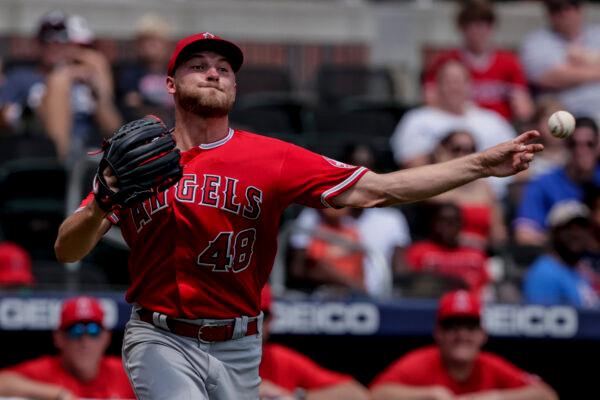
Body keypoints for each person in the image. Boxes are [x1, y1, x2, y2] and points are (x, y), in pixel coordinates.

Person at [53, 31, 543, 398]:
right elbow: (67, 249)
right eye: (198, 66)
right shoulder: (137, 157)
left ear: (235, 89)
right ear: (171, 85)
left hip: (239, 344)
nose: (213, 73)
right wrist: (105, 197)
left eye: (224, 68)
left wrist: (480, 165)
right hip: (160, 335)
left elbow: (377, 190)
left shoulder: (271, 158)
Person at [370, 290, 559, 400]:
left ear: (482, 334)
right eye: (452, 326)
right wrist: (428, 395)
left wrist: (495, 398)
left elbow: (546, 395)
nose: (462, 334)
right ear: (438, 333)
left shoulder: (490, 365)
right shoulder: (420, 363)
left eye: (470, 327)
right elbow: (374, 395)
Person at [0, 10, 122, 163]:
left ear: (71, 44)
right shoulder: (21, 76)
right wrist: (28, 112)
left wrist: (97, 89)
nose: (54, 44)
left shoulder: (83, 78)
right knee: (58, 81)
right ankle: (63, 166)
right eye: (47, 39)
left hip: (91, 149)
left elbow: (114, 129)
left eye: (61, 39)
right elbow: (3, 116)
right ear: (37, 43)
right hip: (41, 148)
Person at [390, 59, 517, 197]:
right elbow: (409, 165)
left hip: (492, 199)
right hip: (437, 199)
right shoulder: (417, 119)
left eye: (459, 81)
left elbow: (516, 160)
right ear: (437, 86)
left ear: (470, 85)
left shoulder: (492, 120)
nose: (454, 87)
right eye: (448, 82)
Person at [0, 296, 134, 399]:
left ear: (106, 337)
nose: (85, 341)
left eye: (94, 331)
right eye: (75, 331)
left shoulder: (124, 373)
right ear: (58, 338)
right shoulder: (46, 370)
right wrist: (57, 394)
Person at [423, 0, 534, 123]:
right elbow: (430, 100)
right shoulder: (445, 61)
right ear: (461, 28)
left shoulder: (509, 62)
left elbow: (524, 109)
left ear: (491, 27)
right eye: (470, 25)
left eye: (482, 24)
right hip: (457, 127)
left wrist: (520, 107)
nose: (476, 31)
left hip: (499, 129)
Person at [259, 285, 370, 400]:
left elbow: (357, 394)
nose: (251, 325)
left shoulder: (278, 359)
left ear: (270, 319)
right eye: (244, 318)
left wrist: (293, 397)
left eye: (260, 317)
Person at [514, 116, 600, 246]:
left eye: (589, 144)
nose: (581, 150)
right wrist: (564, 242)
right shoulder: (544, 183)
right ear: (565, 145)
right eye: (574, 144)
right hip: (561, 262)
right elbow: (523, 235)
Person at [520, 0, 600, 121]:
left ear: (581, 9)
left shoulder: (596, 34)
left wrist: (571, 67)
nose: (564, 13)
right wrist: (593, 65)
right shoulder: (536, 41)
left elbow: (562, 73)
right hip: (564, 115)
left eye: (572, 5)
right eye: (556, 8)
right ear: (548, 12)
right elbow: (549, 77)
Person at [429, 130, 507, 251]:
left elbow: (498, 231)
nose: (464, 154)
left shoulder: (484, 186)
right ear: (442, 152)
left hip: (482, 253)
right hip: (444, 251)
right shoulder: (433, 184)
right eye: (456, 149)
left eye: (470, 150)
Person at [405, 202, 491, 297]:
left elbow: (486, 286)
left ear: (461, 224)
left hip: (468, 306)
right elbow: (410, 285)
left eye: (453, 221)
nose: (448, 226)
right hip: (430, 305)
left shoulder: (476, 254)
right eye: (442, 220)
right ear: (434, 222)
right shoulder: (418, 251)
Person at [523, 200, 599, 307]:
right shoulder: (545, 273)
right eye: (567, 228)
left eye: (582, 227)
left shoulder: (581, 270)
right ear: (553, 233)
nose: (576, 233)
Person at [116, 13, 174, 125]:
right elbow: (132, 104)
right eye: (144, 41)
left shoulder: (175, 72)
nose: (149, 46)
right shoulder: (130, 74)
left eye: (155, 41)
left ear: (166, 44)